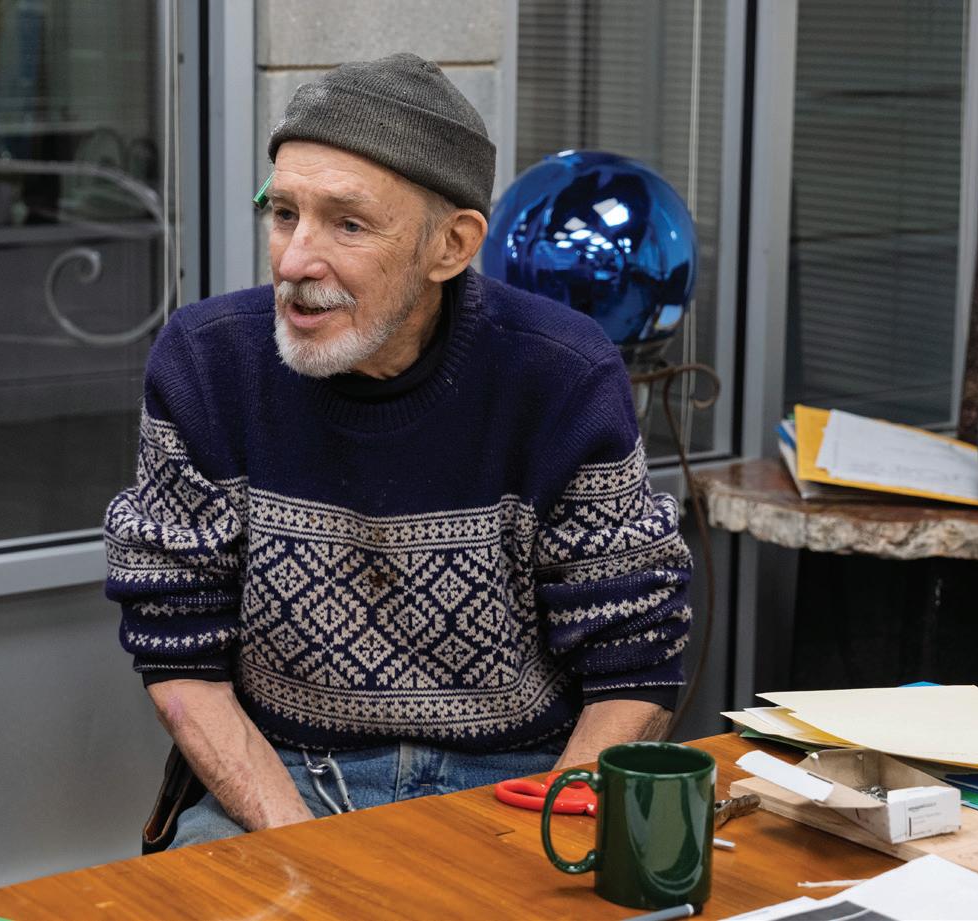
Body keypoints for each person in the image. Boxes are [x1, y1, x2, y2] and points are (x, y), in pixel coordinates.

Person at [104, 52, 693, 848]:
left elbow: (635, 656)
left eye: (347, 224)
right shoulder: (207, 363)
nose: (293, 260)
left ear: (450, 245)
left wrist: (555, 826)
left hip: (516, 780)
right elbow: (177, 652)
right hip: (287, 775)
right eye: (284, 214)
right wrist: (300, 846)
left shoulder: (560, 374)